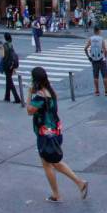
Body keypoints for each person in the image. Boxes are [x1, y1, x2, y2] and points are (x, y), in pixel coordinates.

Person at [26, 67, 88, 203]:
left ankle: (57, 194)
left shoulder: (40, 96)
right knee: (55, 163)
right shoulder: (50, 91)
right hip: (55, 131)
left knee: (48, 164)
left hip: (45, 134)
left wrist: (29, 94)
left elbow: (29, 111)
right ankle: (80, 183)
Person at [84, 27, 107, 96]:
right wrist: (105, 58)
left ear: (94, 31)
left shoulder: (91, 39)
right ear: (98, 31)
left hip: (94, 60)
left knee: (95, 76)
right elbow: (105, 50)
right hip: (101, 59)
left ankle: (97, 91)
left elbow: (85, 49)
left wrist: (89, 57)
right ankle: (106, 91)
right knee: (105, 76)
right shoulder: (101, 39)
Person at [0, 33, 21, 103]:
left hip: (6, 65)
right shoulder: (11, 45)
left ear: (5, 38)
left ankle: (17, 99)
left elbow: (2, 56)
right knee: (8, 81)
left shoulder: (4, 45)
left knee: (10, 82)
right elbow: (13, 56)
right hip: (11, 65)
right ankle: (7, 97)